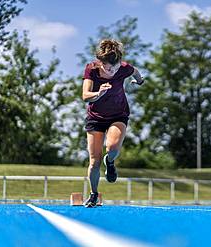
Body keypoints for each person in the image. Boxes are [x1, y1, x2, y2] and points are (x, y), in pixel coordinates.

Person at [82, 39, 144, 208]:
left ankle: (110, 162)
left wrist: (139, 81)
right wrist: (98, 93)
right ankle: (93, 194)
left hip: (118, 114)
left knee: (113, 148)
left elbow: (136, 72)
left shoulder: (124, 68)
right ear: (101, 63)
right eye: (108, 68)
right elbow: (85, 95)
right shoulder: (91, 69)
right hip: (95, 117)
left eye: (115, 68)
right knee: (94, 161)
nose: (111, 72)